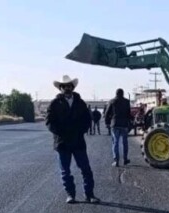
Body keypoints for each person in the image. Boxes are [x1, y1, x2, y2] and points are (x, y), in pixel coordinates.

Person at [45, 75, 100, 204]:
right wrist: (60, 133)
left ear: (73, 87)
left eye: (69, 86)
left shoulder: (80, 103)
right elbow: (49, 122)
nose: (67, 88)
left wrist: (81, 131)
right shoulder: (54, 104)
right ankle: (70, 194)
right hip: (62, 142)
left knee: (86, 169)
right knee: (65, 171)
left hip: (78, 141)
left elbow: (87, 120)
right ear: (61, 88)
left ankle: (90, 194)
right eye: (64, 86)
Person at [104, 89, 133, 167]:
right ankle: (125, 159)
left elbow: (107, 113)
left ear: (116, 93)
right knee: (125, 143)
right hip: (124, 125)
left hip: (115, 124)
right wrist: (130, 122)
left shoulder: (112, 101)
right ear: (123, 94)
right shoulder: (127, 102)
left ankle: (116, 161)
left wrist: (107, 122)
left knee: (115, 142)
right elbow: (128, 114)